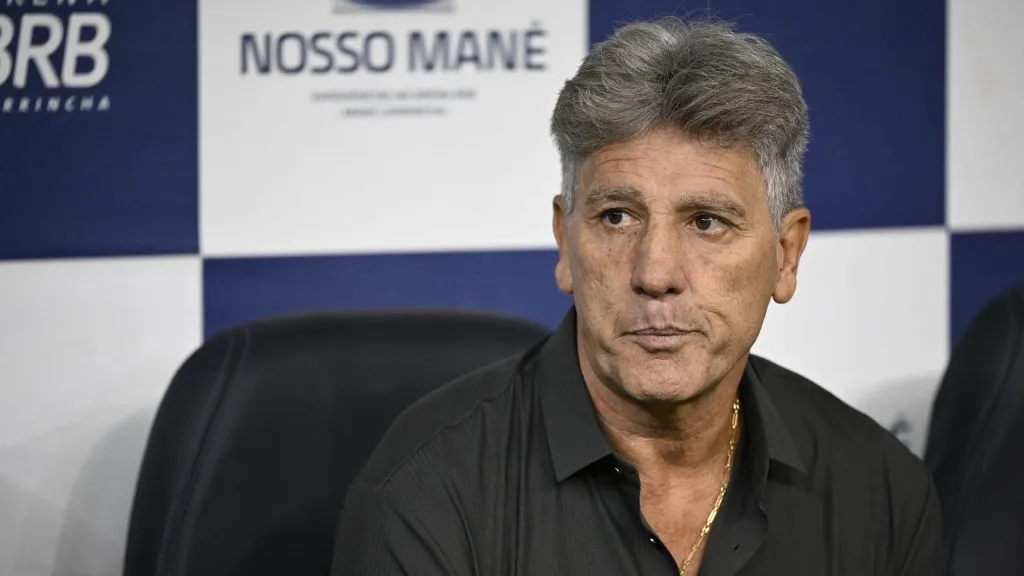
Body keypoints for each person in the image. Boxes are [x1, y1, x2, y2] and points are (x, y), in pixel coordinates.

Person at [330, 16, 945, 576]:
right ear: (565, 243)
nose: (655, 273)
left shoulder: (882, 490)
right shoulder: (426, 490)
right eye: (618, 217)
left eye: (706, 222)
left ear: (785, 255)